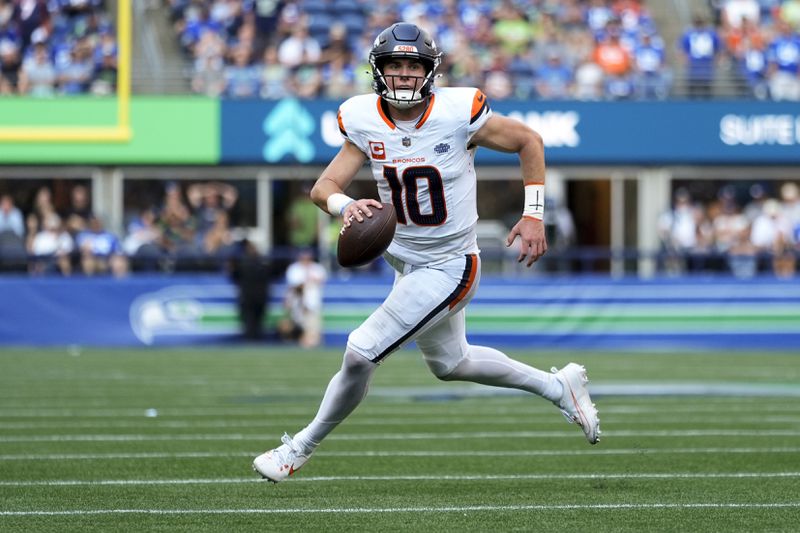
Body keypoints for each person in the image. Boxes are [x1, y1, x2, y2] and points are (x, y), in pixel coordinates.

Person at [253, 22, 601, 483]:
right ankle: (559, 387)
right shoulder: (361, 117)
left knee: (360, 352)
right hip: (405, 261)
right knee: (452, 364)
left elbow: (528, 141)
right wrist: (346, 204)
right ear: (378, 71)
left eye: (411, 65)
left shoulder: (459, 111)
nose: (402, 74)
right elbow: (324, 188)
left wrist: (533, 213)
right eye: (393, 65)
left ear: (429, 71)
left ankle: (298, 448)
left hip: (451, 263)